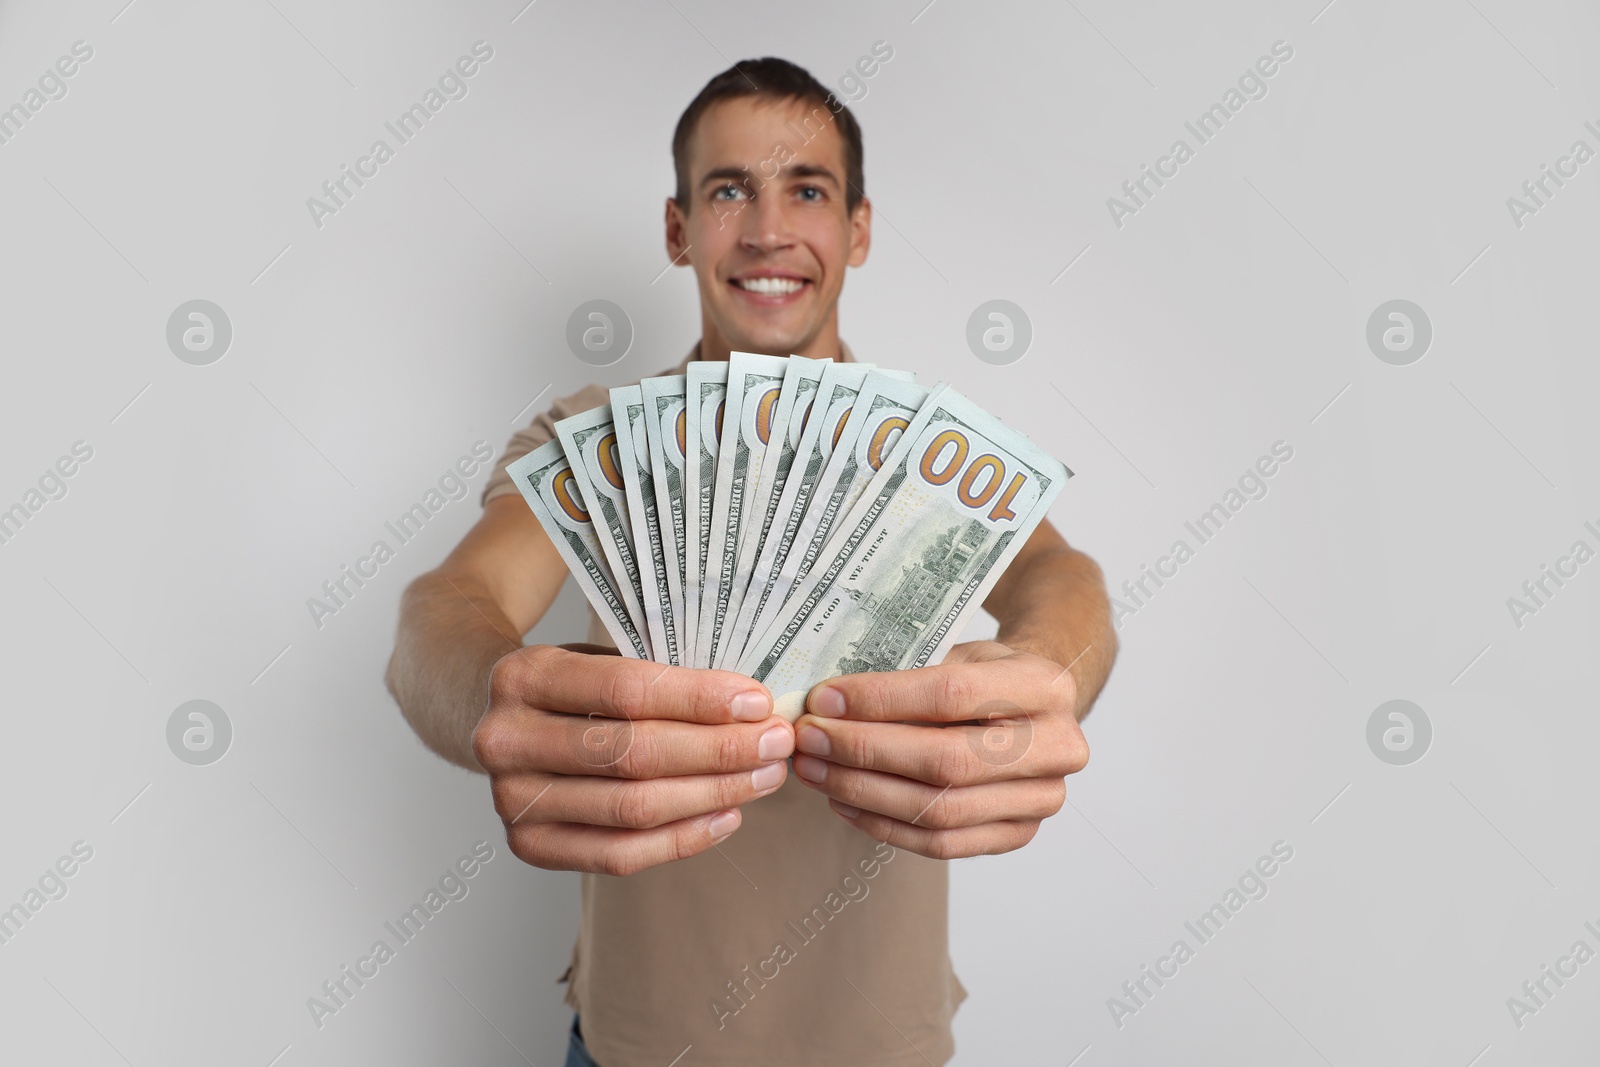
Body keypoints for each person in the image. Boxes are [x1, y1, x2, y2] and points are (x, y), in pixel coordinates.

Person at [386, 56, 1117, 1067]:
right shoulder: (595, 437)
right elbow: (450, 606)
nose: (769, 230)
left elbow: (1059, 580)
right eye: (729, 190)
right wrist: (489, 698)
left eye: (806, 191)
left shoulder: (918, 455)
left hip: (881, 1043)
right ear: (678, 226)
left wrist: (1051, 673)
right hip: (635, 1044)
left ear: (857, 229)